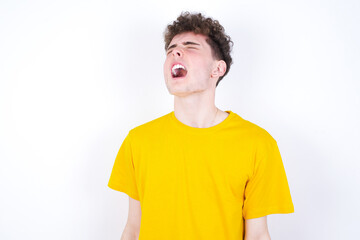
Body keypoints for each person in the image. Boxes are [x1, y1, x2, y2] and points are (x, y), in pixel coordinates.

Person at [108, 11, 294, 240]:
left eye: (190, 46)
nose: (175, 51)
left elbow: (257, 235)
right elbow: (133, 229)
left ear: (217, 69)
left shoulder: (258, 144)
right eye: (171, 49)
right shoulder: (137, 141)